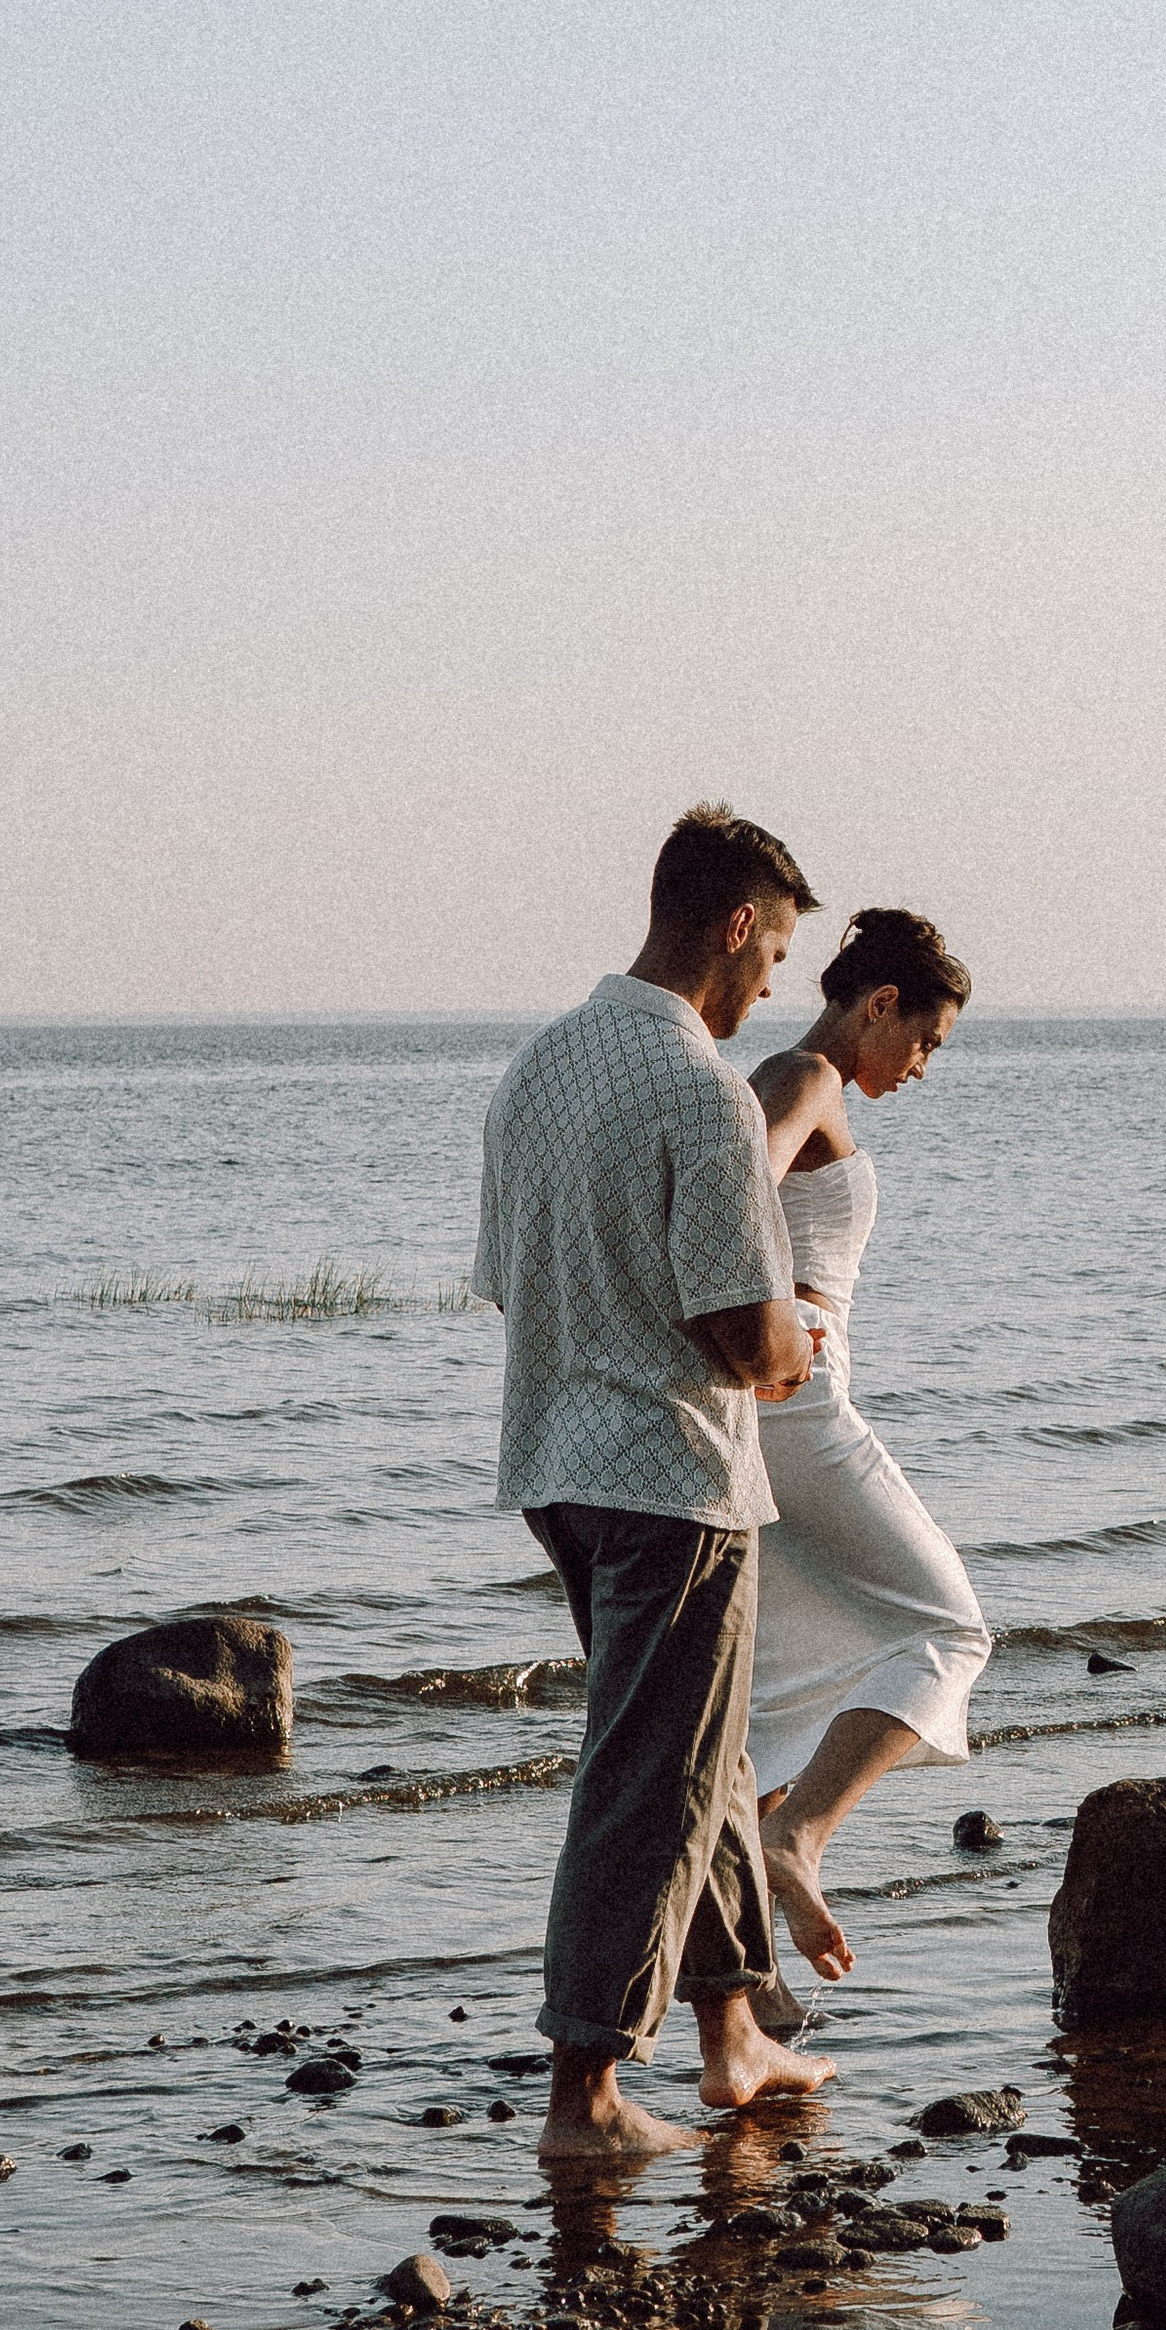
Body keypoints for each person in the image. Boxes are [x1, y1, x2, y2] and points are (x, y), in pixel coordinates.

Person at [470, 801, 837, 2163]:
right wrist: (803, 1331)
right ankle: (588, 2095)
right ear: (736, 926)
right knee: (653, 1781)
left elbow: (514, 1282)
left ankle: (736, 2035)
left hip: (557, 1467)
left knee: (706, 1760)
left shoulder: (541, 1068)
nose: (773, 986)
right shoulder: (699, 1086)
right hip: (674, 1482)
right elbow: (743, 1341)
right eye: (777, 952)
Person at [743, 908, 992, 1982]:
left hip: (757, 1403)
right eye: (926, 1039)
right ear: (880, 1002)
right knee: (948, 1628)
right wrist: (781, 1314)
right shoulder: (804, 1079)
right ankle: (797, 1838)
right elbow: (721, 1197)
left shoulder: (794, 1077)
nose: (926, 1067)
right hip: (792, 1400)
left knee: (771, 1691)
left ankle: (742, 2008)